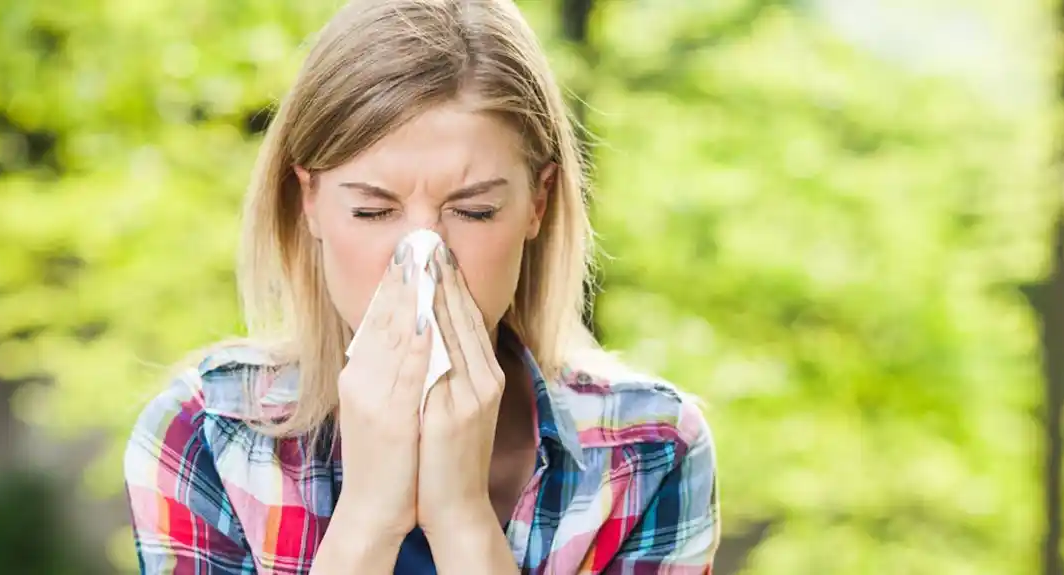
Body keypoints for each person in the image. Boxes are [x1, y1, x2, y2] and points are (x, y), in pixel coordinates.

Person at [122, 0, 720, 572]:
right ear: (310, 200)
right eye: (372, 211)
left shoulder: (651, 450)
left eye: (475, 210)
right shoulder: (205, 434)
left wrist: (461, 520)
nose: (424, 260)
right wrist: (368, 520)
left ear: (537, 202)